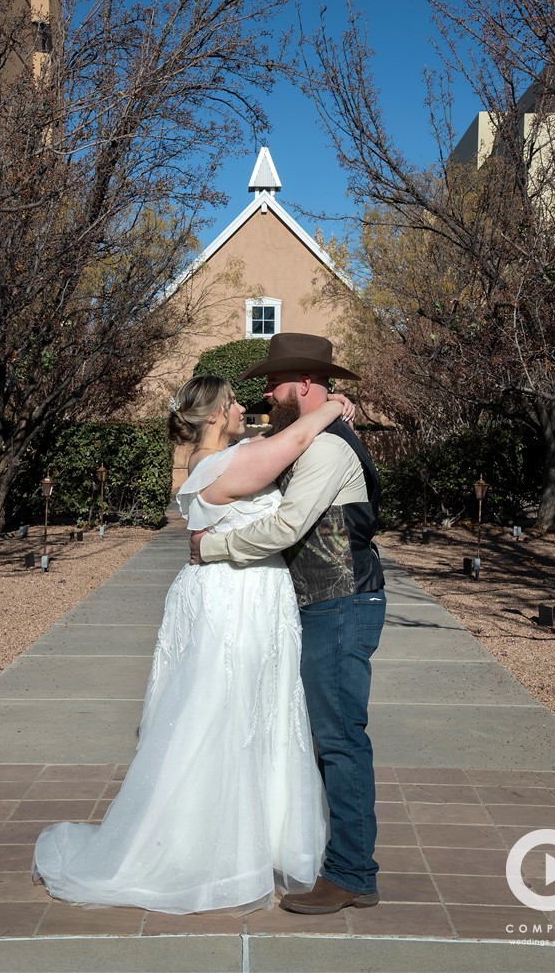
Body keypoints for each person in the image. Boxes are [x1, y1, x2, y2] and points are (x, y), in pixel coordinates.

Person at [32, 374, 355, 914]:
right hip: (235, 600)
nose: (241, 409)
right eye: (231, 405)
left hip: (253, 594)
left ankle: (251, 837)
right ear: (211, 417)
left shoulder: (236, 453)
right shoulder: (218, 468)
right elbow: (295, 442)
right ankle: (203, 846)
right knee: (222, 714)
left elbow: (278, 450)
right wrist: (334, 406)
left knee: (257, 710)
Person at [190, 333, 386, 916]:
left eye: (274, 384)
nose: (266, 394)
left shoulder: (328, 450)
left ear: (303, 383)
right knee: (329, 737)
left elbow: (287, 528)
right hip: (325, 604)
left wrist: (215, 547)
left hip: (341, 604)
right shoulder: (311, 436)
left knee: (340, 740)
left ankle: (352, 874)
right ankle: (341, 861)